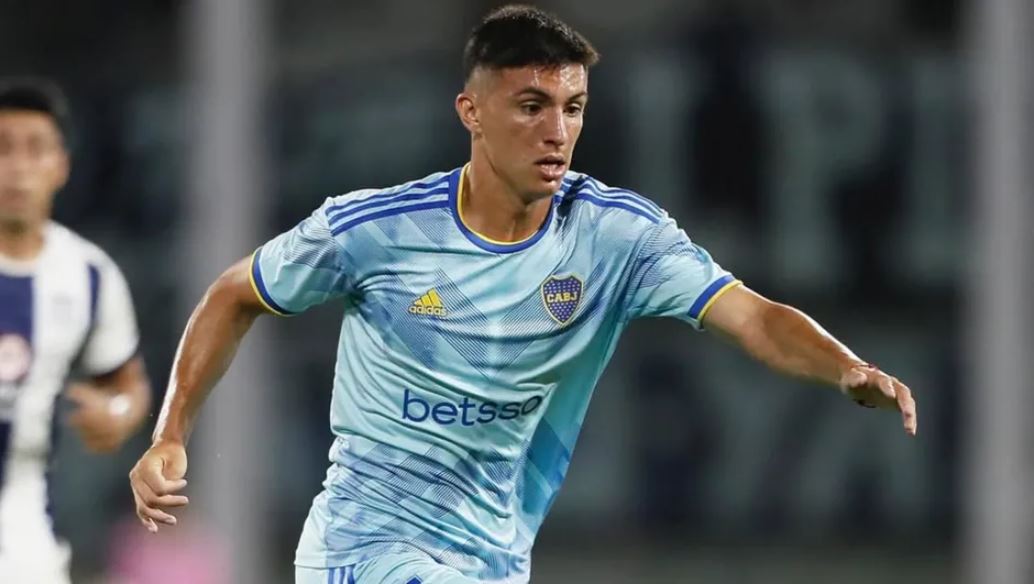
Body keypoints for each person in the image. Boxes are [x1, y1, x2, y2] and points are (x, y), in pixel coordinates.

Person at [129, 5, 917, 584]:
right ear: (471, 112)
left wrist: (844, 366)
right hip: (362, 553)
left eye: (573, 109)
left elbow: (751, 316)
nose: (557, 132)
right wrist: (171, 435)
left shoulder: (615, 237)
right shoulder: (376, 231)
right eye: (532, 107)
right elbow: (235, 293)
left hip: (494, 560)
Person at [0, 78, 152, 583]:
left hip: (22, 523)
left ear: (60, 165)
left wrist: (119, 412)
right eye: (3, 149)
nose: (17, 167)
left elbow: (127, 382)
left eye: (34, 149)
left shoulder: (88, 275)